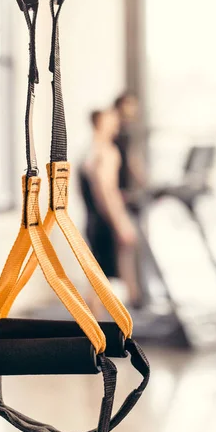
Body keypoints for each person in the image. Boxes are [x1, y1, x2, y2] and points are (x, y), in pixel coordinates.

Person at [80, 109, 141, 317]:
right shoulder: (107, 152)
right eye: (111, 121)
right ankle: (96, 335)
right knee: (102, 282)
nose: (116, 125)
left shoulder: (89, 151)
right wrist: (121, 223)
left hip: (93, 222)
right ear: (100, 123)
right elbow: (106, 192)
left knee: (98, 279)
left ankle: (95, 331)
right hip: (104, 222)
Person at [114, 93, 146, 200]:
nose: (134, 109)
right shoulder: (115, 134)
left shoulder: (126, 132)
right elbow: (133, 163)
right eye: (130, 105)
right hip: (117, 193)